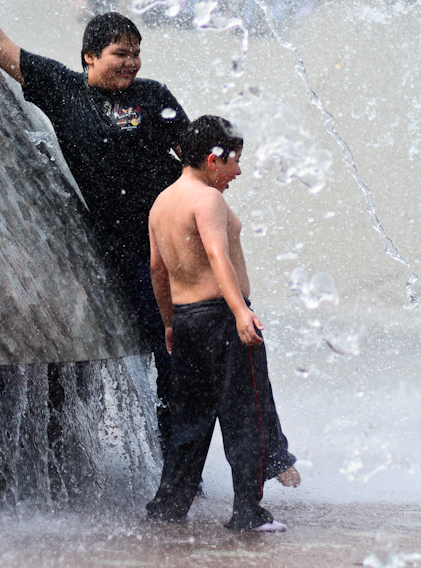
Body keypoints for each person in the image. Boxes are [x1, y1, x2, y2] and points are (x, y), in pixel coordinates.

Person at [0, 0, 189, 452]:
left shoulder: (154, 96)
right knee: (168, 351)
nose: (131, 63)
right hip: (131, 251)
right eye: (120, 53)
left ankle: (222, 459)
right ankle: (178, 465)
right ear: (90, 56)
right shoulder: (63, 90)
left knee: (205, 348)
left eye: (135, 52)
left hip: (177, 241)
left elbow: (194, 160)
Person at [146, 115, 300, 532]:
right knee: (246, 414)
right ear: (213, 159)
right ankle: (249, 513)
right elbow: (218, 255)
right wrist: (240, 311)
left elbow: (157, 269)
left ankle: (169, 507)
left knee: (190, 422)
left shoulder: (161, 203)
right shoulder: (208, 200)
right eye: (234, 161)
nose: (239, 171)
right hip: (222, 318)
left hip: (187, 320)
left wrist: (169, 323)